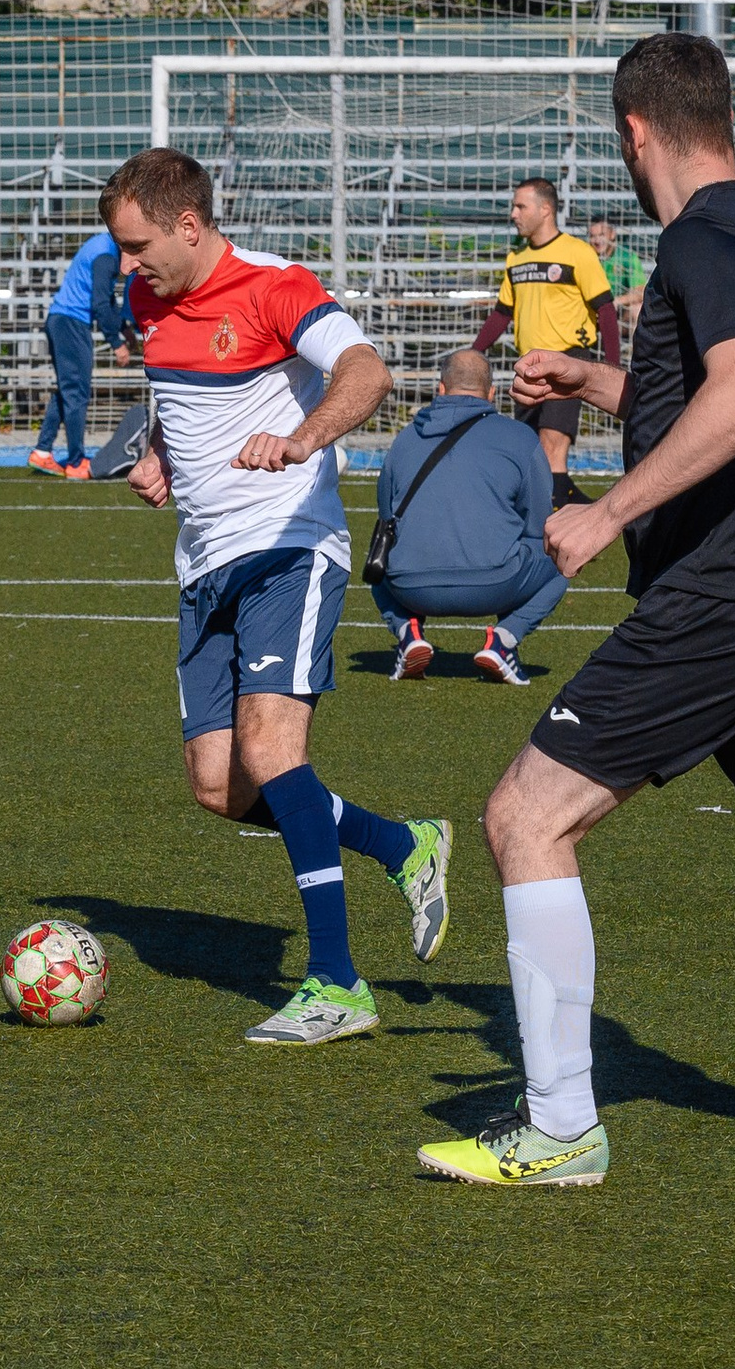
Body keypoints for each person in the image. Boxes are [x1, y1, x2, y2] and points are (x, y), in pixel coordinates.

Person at [432, 32, 735, 1188]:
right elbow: (704, 394)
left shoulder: (700, 234)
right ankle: (556, 1123)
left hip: (720, 593)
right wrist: (590, 381)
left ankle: (557, 1129)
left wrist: (603, 514)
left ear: (635, 132)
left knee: (524, 820)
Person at [106, 146, 449, 1046]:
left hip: (289, 550)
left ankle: (336, 982)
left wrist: (303, 438)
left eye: (139, 245)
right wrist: (159, 459)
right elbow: (174, 400)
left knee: (270, 750)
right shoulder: (148, 296)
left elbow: (368, 374)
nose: (128, 265)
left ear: (189, 224)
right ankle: (400, 844)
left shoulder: (276, 286)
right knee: (219, 786)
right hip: (204, 563)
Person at [370, 350, 569, 686]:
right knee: (562, 551)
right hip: (495, 583)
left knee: (377, 556)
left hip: (410, 586)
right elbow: (538, 525)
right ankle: (504, 640)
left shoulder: (403, 440)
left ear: (441, 389)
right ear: (491, 393)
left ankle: (408, 632)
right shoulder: (520, 437)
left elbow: (386, 516)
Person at [472, 176, 618, 509]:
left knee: (552, 443)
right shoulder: (516, 258)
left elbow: (605, 310)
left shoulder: (577, 252)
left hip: (569, 360)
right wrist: (473, 352)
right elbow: (501, 314)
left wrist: (612, 366)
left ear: (546, 208)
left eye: (520, 206)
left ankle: (550, 529)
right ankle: (576, 508)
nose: (513, 213)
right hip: (529, 366)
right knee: (534, 451)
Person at [29, 223, 131, 478]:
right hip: (70, 323)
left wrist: (123, 327)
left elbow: (105, 300)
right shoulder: (107, 257)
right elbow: (100, 303)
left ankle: (42, 452)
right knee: (77, 393)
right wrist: (116, 343)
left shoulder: (103, 246)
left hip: (61, 320)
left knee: (68, 389)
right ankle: (76, 462)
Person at [592, 216, 645, 331]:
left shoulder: (627, 257)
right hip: (592, 313)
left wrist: (616, 301)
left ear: (612, 234)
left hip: (619, 315)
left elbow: (640, 292)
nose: (597, 241)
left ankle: (631, 349)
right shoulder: (586, 256)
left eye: (601, 235)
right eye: (592, 236)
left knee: (637, 310)